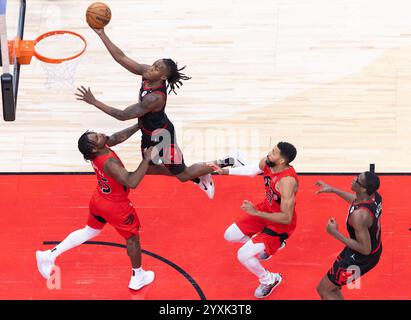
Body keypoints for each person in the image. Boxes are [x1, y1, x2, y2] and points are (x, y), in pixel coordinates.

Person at [75, 27, 238, 199]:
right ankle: (199, 175)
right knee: (151, 169)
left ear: (162, 78)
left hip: (162, 137)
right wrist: (101, 33)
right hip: (148, 133)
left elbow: (122, 115)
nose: (150, 68)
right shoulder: (148, 73)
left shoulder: (155, 98)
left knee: (183, 175)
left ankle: (230, 161)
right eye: (153, 64)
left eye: (156, 68)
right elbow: (121, 58)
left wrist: (94, 102)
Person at [36, 123, 158, 290]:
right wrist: (146, 159)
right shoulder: (109, 164)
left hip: (99, 199)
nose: (101, 134)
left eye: (97, 133)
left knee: (90, 230)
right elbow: (132, 181)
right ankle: (138, 276)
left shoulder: (98, 149)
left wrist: (139, 125)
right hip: (116, 206)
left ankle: (49, 255)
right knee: (132, 238)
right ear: (94, 149)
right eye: (98, 137)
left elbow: (115, 137)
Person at [211, 142, 298, 298]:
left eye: (274, 152)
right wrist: (225, 172)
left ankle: (269, 280)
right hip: (265, 209)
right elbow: (252, 169)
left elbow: (287, 218)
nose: (270, 153)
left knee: (243, 255)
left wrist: (256, 212)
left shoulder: (287, 182)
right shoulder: (268, 162)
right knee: (230, 235)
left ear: (282, 161)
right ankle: (268, 248)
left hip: (280, 225)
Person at [315, 171, 382, 300]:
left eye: (357, 179)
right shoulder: (374, 196)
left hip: (360, 258)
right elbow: (356, 200)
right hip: (365, 248)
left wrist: (335, 233)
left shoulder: (359, 216)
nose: (353, 178)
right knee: (332, 288)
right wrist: (333, 190)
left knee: (324, 290)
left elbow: (365, 249)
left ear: (363, 188)